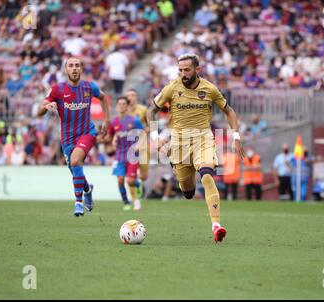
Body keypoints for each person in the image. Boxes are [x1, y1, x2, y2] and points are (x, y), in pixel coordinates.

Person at [147, 53, 246, 243]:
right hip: (179, 143)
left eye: (187, 70)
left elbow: (229, 111)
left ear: (197, 70)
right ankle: (184, 180)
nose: (183, 74)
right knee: (188, 191)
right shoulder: (172, 88)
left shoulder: (210, 89)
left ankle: (216, 226)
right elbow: (151, 110)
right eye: (180, 70)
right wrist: (155, 137)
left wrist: (236, 136)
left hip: (204, 139)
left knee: (207, 174)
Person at [37, 57, 109, 217]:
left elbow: (103, 97)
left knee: (76, 161)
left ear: (81, 69)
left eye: (77, 65)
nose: (74, 68)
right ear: (66, 69)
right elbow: (39, 111)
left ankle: (78, 203)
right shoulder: (57, 89)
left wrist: (106, 120)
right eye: (71, 66)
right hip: (67, 138)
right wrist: (46, 107)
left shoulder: (90, 87)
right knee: (74, 168)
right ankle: (88, 189)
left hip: (87, 132)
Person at [104, 96, 145, 211]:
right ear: (116, 106)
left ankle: (137, 185)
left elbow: (143, 134)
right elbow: (110, 136)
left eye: (123, 104)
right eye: (119, 104)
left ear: (127, 106)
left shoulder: (134, 120)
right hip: (119, 155)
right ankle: (126, 202)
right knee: (120, 180)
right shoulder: (114, 122)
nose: (121, 106)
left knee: (130, 181)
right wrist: (109, 141)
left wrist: (139, 145)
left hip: (132, 155)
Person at [126, 88, 149, 193]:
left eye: (133, 95)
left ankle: (139, 183)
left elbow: (151, 125)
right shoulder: (123, 111)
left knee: (144, 176)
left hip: (143, 144)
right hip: (128, 145)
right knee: (130, 172)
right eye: (129, 95)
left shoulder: (143, 110)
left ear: (136, 98)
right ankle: (134, 196)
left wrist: (146, 132)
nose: (130, 97)